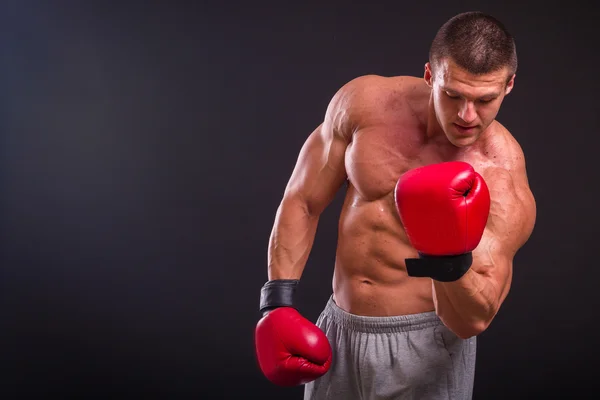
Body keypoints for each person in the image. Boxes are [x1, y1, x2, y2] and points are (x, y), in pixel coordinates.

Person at [254, 11, 537, 400]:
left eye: (484, 100)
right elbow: (302, 200)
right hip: (338, 330)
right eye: (452, 94)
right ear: (429, 75)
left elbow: (474, 318)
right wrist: (277, 303)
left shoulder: (499, 174)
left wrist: (447, 260)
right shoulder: (365, 105)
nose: (466, 115)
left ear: (509, 86)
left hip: (425, 346)